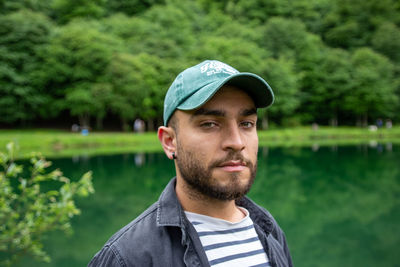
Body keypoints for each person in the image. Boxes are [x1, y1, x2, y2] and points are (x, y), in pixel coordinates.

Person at [88, 60, 293, 267]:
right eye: (210, 124)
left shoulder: (269, 231)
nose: (237, 142)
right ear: (170, 142)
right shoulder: (127, 257)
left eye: (246, 124)